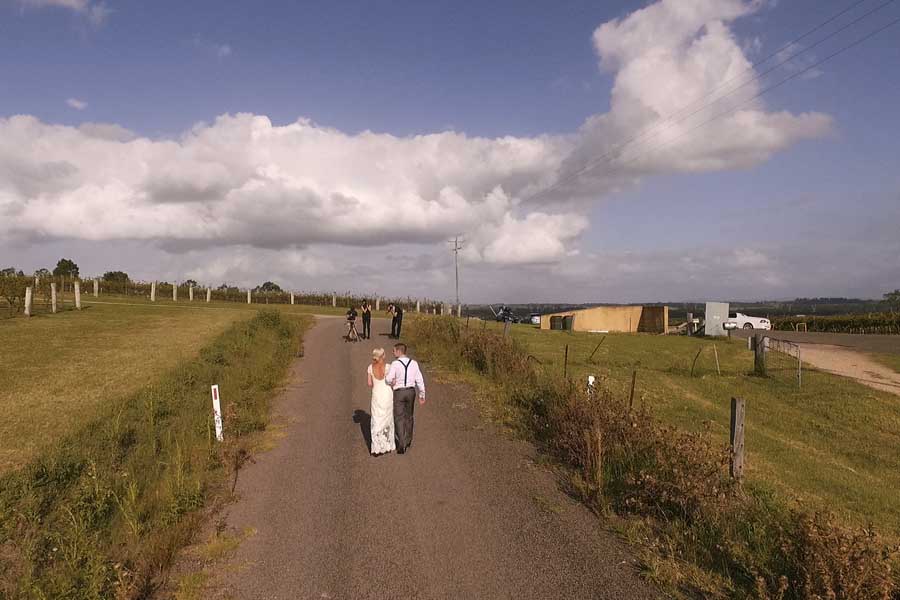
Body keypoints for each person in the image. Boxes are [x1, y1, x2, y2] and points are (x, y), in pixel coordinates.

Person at [385, 342, 425, 454]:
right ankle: (408, 439)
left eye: (394, 351)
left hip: (399, 392)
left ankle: (401, 442)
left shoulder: (395, 364)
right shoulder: (414, 363)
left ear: (399, 351)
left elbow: (388, 379)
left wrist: (391, 381)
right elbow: (419, 380)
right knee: (409, 416)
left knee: (399, 417)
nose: (393, 353)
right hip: (411, 391)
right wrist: (422, 394)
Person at [367, 348, 395, 455]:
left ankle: (377, 446)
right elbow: (393, 381)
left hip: (377, 394)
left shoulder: (370, 367)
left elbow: (369, 383)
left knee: (376, 418)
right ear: (382, 356)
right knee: (387, 417)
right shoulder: (388, 367)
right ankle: (387, 443)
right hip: (387, 393)